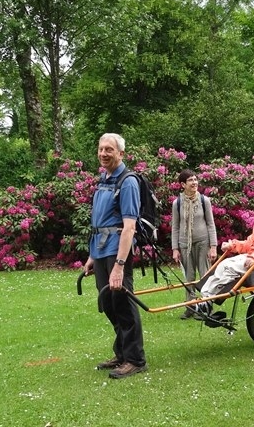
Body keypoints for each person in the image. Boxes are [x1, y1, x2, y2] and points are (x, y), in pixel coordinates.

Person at [82, 133, 147, 379]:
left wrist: (119, 265)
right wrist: (91, 255)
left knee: (123, 304)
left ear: (121, 153)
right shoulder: (103, 179)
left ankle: (135, 359)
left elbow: (129, 227)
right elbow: (99, 221)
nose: (103, 153)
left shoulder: (127, 182)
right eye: (101, 149)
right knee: (108, 303)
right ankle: (121, 353)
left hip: (117, 251)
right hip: (100, 249)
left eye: (109, 149)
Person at [171, 169, 218, 319]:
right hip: (185, 244)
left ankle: (205, 306)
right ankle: (190, 307)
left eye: (195, 179)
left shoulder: (204, 200)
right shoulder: (177, 203)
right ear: (182, 184)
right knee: (189, 277)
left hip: (203, 242)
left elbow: (211, 224)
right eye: (190, 180)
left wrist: (213, 247)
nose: (194, 182)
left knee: (204, 275)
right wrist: (175, 249)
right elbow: (175, 227)